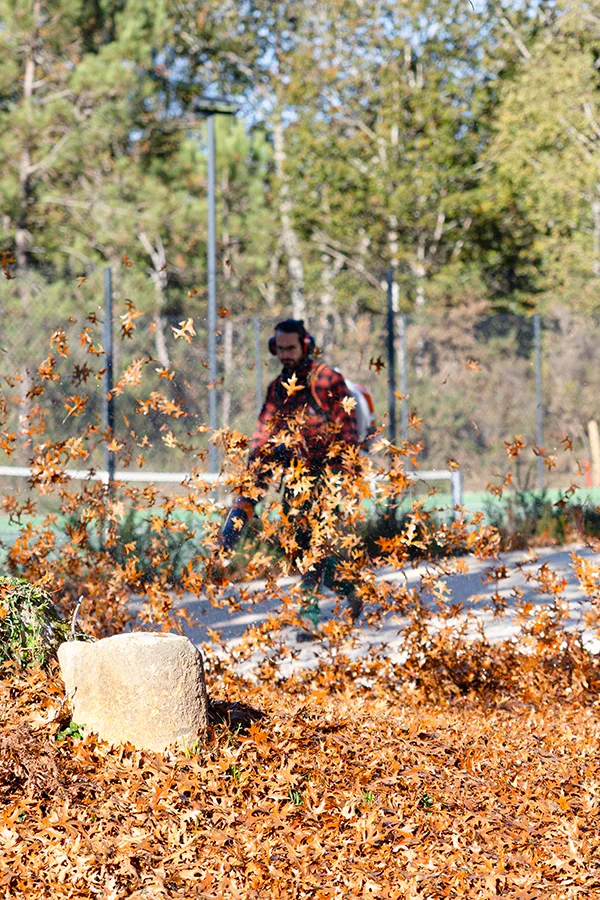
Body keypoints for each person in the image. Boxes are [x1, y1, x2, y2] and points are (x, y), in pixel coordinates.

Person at [219, 318, 362, 638]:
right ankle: (351, 589)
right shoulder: (276, 389)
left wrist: (343, 479)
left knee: (316, 549)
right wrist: (252, 478)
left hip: (328, 475)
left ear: (306, 346)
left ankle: (308, 619)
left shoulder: (327, 379)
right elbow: (262, 436)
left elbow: (348, 431)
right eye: (279, 349)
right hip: (294, 479)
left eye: (291, 348)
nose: (285, 354)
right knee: (298, 549)